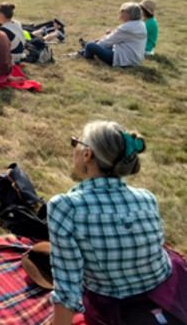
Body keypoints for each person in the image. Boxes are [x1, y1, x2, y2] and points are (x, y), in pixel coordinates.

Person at [49, 121, 185, 325]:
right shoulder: (147, 198)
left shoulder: (65, 207)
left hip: (114, 306)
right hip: (169, 291)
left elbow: (68, 287)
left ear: (87, 154)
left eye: (75, 142)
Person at [80, 2, 147, 67]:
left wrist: (95, 45)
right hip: (135, 59)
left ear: (129, 14)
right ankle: (85, 49)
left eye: (123, 11)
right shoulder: (141, 24)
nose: (121, 13)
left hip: (123, 59)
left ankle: (85, 53)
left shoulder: (126, 28)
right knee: (99, 44)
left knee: (90, 46)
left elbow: (108, 42)